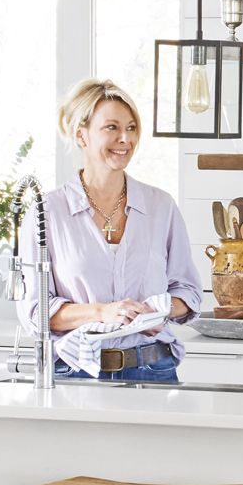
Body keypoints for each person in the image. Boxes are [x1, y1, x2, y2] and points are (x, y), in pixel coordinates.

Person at [17, 78, 201, 382]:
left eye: (131, 128)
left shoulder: (161, 206)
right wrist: (101, 312)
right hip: (76, 374)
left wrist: (159, 311)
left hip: (153, 370)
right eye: (111, 128)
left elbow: (188, 292)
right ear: (81, 135)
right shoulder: (47, 213)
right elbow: (36, 312)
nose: (124, 139)